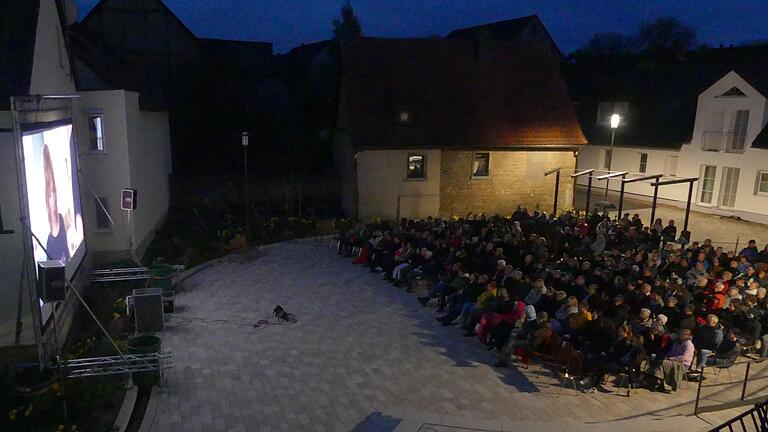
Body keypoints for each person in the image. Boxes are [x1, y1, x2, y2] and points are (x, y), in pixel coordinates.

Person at [43, 144, 70, 263]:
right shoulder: (54, 222)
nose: (53, 197)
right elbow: (49, 180)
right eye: (50, 194)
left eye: (54, 193)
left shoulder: (59, 218)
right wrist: (47, 160)